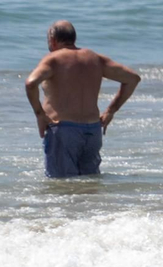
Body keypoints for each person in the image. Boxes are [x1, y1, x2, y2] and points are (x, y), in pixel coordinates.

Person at [24, 20, 141, 178]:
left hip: (64, 131)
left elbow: (31, 83)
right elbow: (132, 79)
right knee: (89, 185)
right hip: (93, 131)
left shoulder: (53, 60)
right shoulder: (95, 58)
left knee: (62, 187)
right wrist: (110, 111)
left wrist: (40, 114)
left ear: (52, 39)